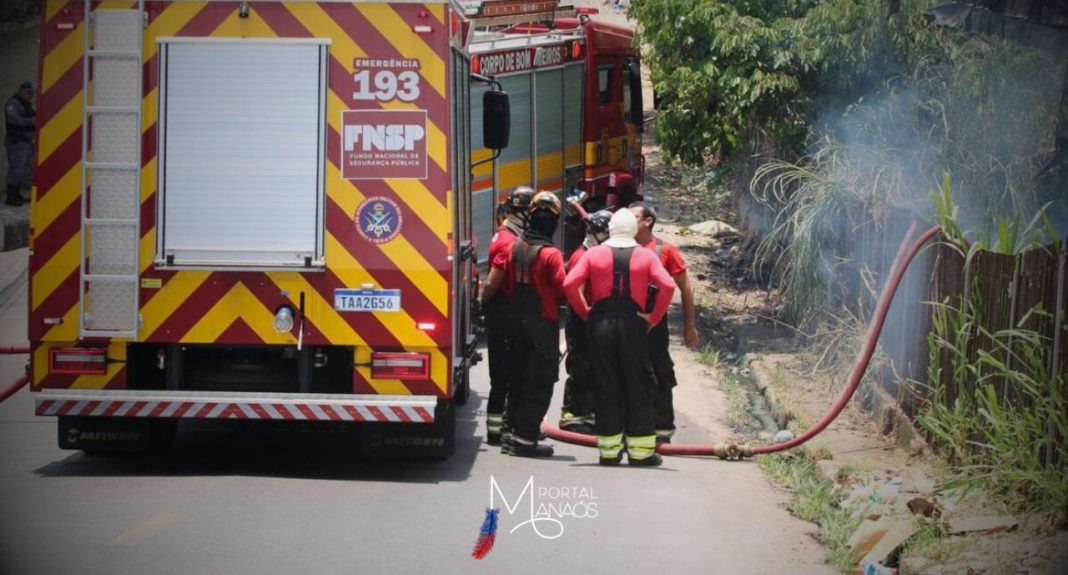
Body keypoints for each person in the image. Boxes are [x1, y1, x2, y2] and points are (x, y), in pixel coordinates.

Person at [564, 209, 676, 467]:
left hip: (601, 325)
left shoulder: (594, 254)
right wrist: (654, 317)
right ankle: (640, 453)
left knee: (606, 384)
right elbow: (668, 286)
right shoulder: (646, 256)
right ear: (633, 230)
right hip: (633, 325)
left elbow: (570, 283)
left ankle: (609, 452)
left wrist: (585, 312)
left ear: (612, 229)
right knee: (638, 384)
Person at [482, 191, 566, 458]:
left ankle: (509, 434)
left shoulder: (515, 246)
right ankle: (525, 439)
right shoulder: (552, 255)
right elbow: (564, 289)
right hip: (542, 325)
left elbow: (497, 280)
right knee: (539, 383)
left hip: (515, 323)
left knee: (516, 380)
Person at [630, 203, 700, 444]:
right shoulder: (617, 247)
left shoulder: (666, 251)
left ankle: (661, 430)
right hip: (625, 323)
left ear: (648, 221)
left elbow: (685, 287)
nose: (628, 221)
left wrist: (689, 325)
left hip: (654, 323)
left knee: (659, 372)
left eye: (634, 217)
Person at [480, 186, 535, 446]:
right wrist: (485, 301)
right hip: (505, 311)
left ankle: (501, 428)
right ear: (523, 213)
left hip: (501, 309)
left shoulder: (503, 233)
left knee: (504, 373)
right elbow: (493, 280)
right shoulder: (509, 241)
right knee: (505, 374)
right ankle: (501, 430)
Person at [559, 209, 612, 435]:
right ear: (598, 233)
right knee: (581, 365)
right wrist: (587, 315)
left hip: (591, 318)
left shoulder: (596, 253)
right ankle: (573, 415)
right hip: (582, 319)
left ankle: (589, 413)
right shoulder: (582, 256)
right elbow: (573, 289)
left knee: (594, 366)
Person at [4, 81, 36, 207]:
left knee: (25, 169)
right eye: (29, 93)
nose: (31, 96)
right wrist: (30, 121)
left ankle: (17, 194)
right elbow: (13, 119)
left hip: (26, 140)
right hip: (16, 140)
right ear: (22, 91)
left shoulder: (26, 103)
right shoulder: (13, 103)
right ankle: (11, 197)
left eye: (32, 93)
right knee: (17, 169)